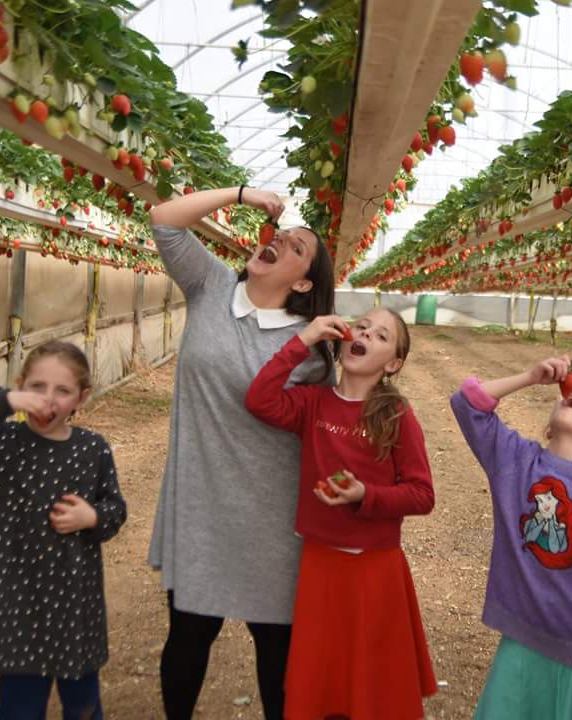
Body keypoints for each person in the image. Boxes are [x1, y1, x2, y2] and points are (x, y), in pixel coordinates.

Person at [147, 187, 336, 719]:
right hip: (201, 506)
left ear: (303, 283)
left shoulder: (311, 348)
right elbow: (163, 218)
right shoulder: (211, 287)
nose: (280, 240)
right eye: (282, 234)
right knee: (187, 639)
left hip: (273, 522)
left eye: (297, 247)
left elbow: (324, 432)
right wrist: (242, 195)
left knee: (278, 657)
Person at [245, 307, 437, 720]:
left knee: (371, 687)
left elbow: (422, 495)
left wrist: (366, 495)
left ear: (393, 364)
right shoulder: (313, 403)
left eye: (381, 335)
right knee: (324, 682)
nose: (365, 334)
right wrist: (304, 340)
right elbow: (259, 399)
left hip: (374, 571)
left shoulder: (396, 416)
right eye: (361, 326)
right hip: (320, 565)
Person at [0, 340, 126, 720]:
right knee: (20, 708)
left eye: (62, 390)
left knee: (83, 705)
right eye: (36, 387)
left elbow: (116, 509)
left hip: (73, 607)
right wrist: (4, 402)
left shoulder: (92, 449)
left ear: (82, 397)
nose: (47, 399)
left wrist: (93, 517)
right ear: (20, 386)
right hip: (16, 609)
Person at [449, 356, 572, 719]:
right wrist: (530, 375)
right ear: (549, 430)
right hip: (520, 644)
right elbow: (467, 402)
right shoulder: (516, 461)